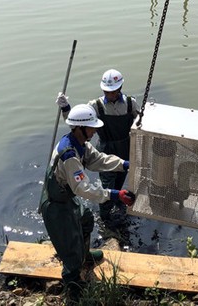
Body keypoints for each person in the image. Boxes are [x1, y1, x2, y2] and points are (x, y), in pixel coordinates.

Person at [39, 104, 136, 296]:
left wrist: (124, 165)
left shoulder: (81, 144)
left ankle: (85, 256)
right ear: (79, 128)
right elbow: (83, 189)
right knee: (69, 251)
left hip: (68, 197)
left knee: (86, 220)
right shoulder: (69, 154)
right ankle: (73, 285)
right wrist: (115, 194)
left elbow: (98, 160)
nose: (95, 130)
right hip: (57, 205)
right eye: (92, 127)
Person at [56, 69, 140, 222]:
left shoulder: (129, 103)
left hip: (126, 148)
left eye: (113, 91)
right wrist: (66, 109)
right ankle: (106, 219)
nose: (110, 95)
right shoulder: (94, 107)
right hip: (106, 146)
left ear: (120, 88)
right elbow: (75, 120)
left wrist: (126, 164)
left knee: (120, 180)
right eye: (107, 92)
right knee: (108, 184)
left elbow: (140, 125)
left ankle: (117, 202)